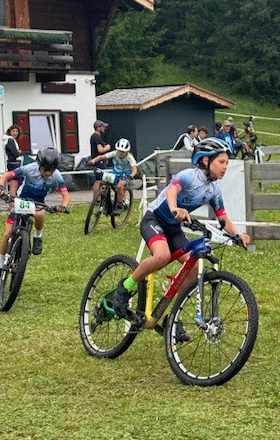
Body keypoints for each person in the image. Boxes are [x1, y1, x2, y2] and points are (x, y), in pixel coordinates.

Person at [108, 138, 249, 320]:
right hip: (154, 219)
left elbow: (223, 218)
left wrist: (238, 235)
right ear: (206, 160)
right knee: (162, 256)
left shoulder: (214, 189)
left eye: (227, 163)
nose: (225, 167)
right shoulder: (189, 176)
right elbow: (172, 191)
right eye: (221, 162)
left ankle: (173, 317)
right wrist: (174, 208)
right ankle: (125, 287)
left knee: (194, 266)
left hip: (173, 228)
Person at [0, 147, 70, 283]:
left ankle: (38, 237)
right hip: (21, 200)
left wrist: (63, 205)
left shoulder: (57, 175)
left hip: (38, 203)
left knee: (39, 215)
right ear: (39, 165)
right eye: (45, 169)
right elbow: (7, 175)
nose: (48, 173)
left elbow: (65, 194)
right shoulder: (29, 168)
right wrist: (1, 186)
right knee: (7, 234)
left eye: (51, 170)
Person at [89, 138, 138, 211]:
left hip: (125, 174)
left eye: (123, 152)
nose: (121, 153)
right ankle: (105, 202)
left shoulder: (129, 157)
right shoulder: (114, 153)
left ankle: (119, 205)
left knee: (119, 187)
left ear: (127, 151)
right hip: (115, 172)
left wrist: (131, 175)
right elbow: (102, 157)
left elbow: (134, 169)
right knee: (104, 184)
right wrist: (93, 161)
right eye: (119, 151)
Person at [90, 119, 111, 198]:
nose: (104, 128)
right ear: (98, 127)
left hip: (98, 161)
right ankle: (97, 198)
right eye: (103, 127)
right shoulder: (97, 137)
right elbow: (100, 150)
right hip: (99, 162)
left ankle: (98, 198)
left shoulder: (95, 136)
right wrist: (107, 148)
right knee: (99, 180)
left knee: (100, 180)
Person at [2, 125, 22, 196]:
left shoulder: (9, 140)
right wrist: (20, 152)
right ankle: (12, 201)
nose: (15, 133)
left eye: (16, 131)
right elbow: (16, 154)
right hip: (14, 164)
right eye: (13, 131)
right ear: (9, 132)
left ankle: (12, 199)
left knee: (14, 184)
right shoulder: (10, 140)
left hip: (12, 163)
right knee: (14, 185)